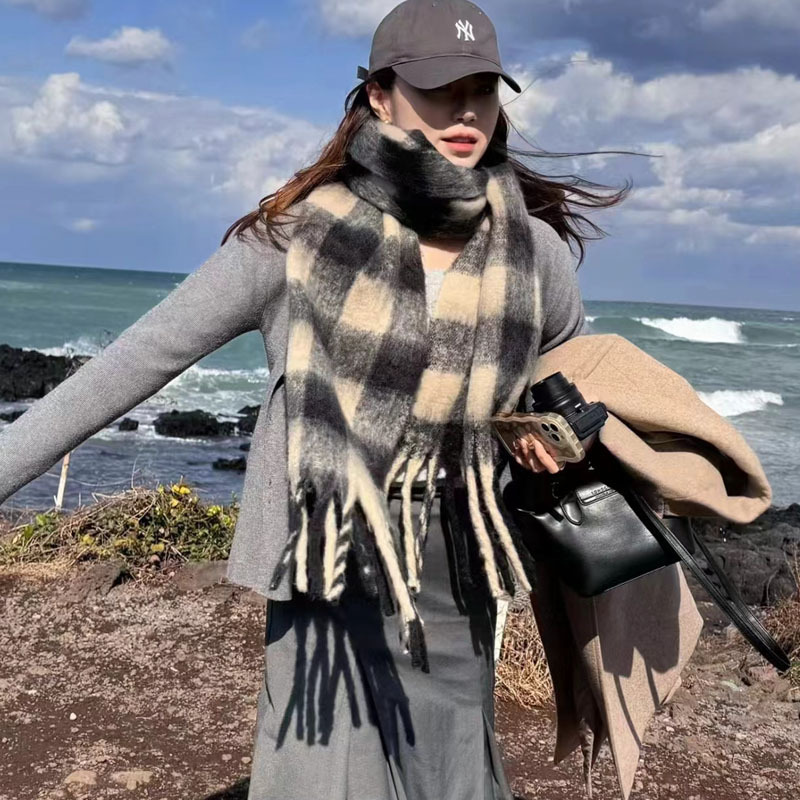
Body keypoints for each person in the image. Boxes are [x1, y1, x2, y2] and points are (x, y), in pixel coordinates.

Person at [0, 1, 630, 798]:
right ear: (380, 96)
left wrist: (557, 433)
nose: (466, 110)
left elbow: (570, 378)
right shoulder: (293, 237)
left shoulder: (530, 251)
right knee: (327, 775)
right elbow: (133, 363)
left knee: (450, 775)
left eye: (481, 89)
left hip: (459, 558)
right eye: (440, 90)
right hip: (331, 554)